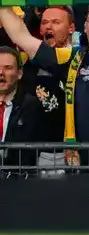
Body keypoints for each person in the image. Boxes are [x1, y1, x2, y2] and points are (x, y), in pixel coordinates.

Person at [1, 0, 89, 169]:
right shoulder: (72, 57)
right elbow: (22, 38)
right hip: (76, 159)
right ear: (84, 26)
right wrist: (2, 0)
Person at [0, 47, 48, 176]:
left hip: (17, 180)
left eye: (8, 68)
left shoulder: (31, 107)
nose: (1, 72)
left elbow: (31, 152)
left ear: (19, 74)